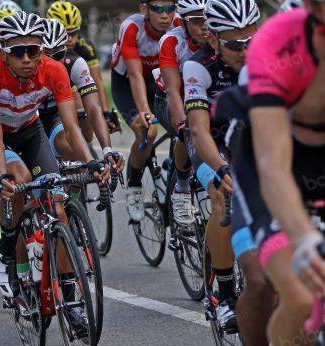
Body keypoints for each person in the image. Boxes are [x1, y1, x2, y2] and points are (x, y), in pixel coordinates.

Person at [233, 1, 325, 346]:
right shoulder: (272, 50)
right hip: (269, 164)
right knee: (300, 295)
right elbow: (274, 166)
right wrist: (305, 238)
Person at [0, 12, 107, 305]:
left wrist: (92, 160)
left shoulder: (54, 70)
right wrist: (0, 176)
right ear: (3, 50)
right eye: (17, 51)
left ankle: (72, 300)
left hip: (30, 130)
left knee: (57, 206)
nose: (26, 58)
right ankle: (7, 249)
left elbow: (72, 128)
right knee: (19, 180)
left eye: (32, 50)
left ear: (42, 50)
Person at [182, 0, 259, 336]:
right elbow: (198, 130)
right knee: (220, 195)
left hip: (252, 134)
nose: (244, 51)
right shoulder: (198, 67)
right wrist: (222, 168)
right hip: (210, 141)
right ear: (213, 39)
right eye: (234, 44)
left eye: (250, 42)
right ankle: (224, 293)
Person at [110, 0, 179, 221]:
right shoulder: (132, 28)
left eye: (170, 8)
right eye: (158, 8)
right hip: (127, 83)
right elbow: (135, 75)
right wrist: (145, 113)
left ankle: (175, 170)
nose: (165, 15)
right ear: (144, 9)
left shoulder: (179, 24)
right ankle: (135, 186)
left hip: (158, 81)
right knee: (147, 131)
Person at [39, 19, 124, 173]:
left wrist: (107, 150)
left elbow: (93, 108)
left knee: (74, 151)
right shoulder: (25, 67)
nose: (51, 62)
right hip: (28, 119)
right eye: (45, 55)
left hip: (54, 116)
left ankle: (73, 196)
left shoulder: (75, 64)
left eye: (57, 54)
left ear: (66, 49)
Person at [154, 0, 207, 227]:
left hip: (204, 98)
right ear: (184, 23)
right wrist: (184, 124)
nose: (204, 26)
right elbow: (173, 92)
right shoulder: (172, 41)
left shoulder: (218, 38)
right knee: (188, 131)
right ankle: (182, 188)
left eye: (207, 18)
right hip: (172, 99)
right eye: (196, 21)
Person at [47, 1, 118, 134]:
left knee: (87, 125)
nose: (70, 38)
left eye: (74, 32)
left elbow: (98, 82)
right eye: (65, 33)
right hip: (51, 91)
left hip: (74, 86)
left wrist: (106, 112)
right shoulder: (44, 46)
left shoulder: (86, 46)